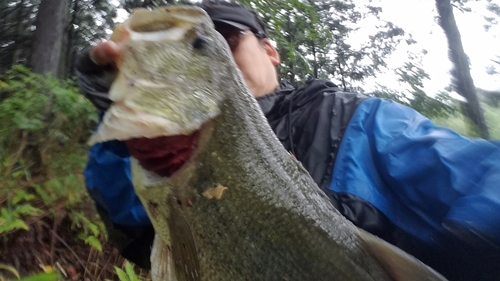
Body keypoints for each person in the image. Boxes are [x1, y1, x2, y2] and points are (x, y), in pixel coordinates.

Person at [76, 1, 500, 280]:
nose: (218, 54)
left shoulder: (355, 119)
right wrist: (120, 129)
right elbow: (136, 234)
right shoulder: (165, 151)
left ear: (270, 51)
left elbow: (480, 170)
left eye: (226, 41)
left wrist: (481, 233)